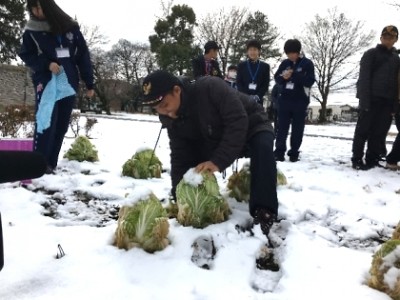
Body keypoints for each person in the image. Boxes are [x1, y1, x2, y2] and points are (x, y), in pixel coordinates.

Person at [141, 70, 278, 237]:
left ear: (177, 90)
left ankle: (264, 210)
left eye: (164, 105)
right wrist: (180, 196)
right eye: (157, 109)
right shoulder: (172, 118)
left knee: (262, 147)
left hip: (251, 125)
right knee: (193, 159)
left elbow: (237, 122)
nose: (164, 112)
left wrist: (218, 161)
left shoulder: (211, 87)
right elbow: (180, 155)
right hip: (214, 137)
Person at [18, 0, 94, 174]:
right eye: (33, 8)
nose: (36, 11)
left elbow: (82, 55)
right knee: (46, 122)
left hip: (68, 82)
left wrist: (89, 82)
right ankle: (38, 165)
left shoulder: (70, 28)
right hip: (46, 82)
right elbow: (26, 54)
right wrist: (46, 64)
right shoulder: (32, 30)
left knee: (61, 125)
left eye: (39, 7)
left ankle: (50, 164)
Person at [351, 25, 400, 170]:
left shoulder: (396, 58)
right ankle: (357, 159)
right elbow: (364, 79)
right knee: (362, 131)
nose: (387, 40)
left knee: (379, 133)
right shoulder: (371, 54)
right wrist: (364, 101)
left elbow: (397, 84)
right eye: (385, 37)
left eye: (391, 37)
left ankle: (372, 158)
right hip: (371, 99)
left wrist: (394, 106)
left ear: (396, 39)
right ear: (381, 38)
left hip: (387, 102)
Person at [273, 39, 315, 162]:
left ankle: (294, 152)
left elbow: (310, 81)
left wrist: (295, 75)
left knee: (297, 129)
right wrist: (283, 77)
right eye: (288, 53)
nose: (290, 55)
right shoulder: (285, 63)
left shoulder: (307, 63)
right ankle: (279, 152)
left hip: (300, 101)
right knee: (281, 128)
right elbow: (277, 78)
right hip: (284, 100)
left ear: (298, 52)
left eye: (293, 53)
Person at [236, 39, 270, 106]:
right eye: (250, 50)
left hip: (258, 101)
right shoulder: (241, 65)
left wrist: (258, 96)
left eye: (254, 50)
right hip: (243, 100)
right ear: (247, 52)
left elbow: (265, 84)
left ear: (259, 51)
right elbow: (239, 82)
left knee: (257, 116)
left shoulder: (265, 66)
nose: (252, 52)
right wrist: (245, 96)